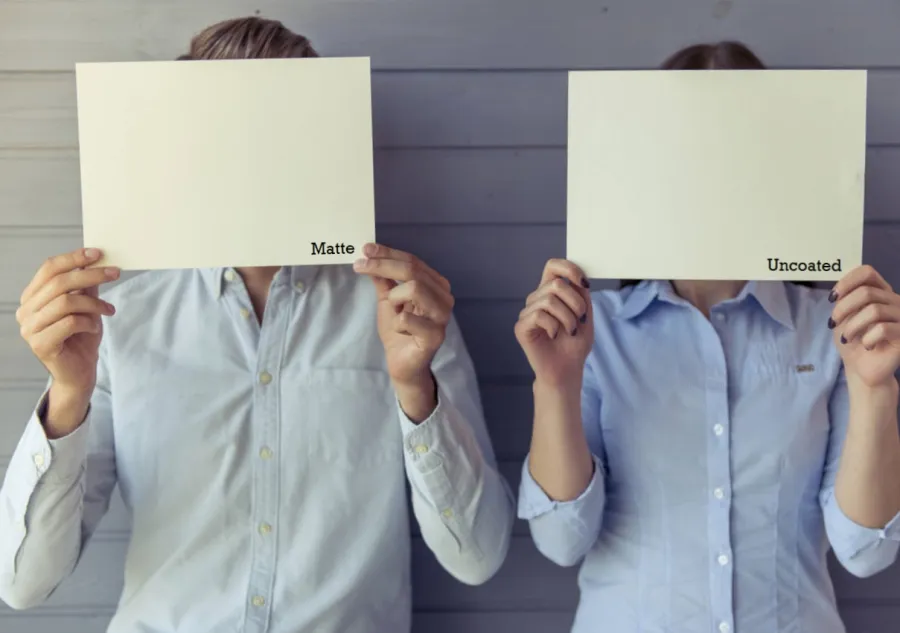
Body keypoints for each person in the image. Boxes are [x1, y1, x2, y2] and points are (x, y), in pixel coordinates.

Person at [0, 16, 515, 633]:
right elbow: (23, 586)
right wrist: (67, 397)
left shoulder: (407, 316)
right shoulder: (119, 322)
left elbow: (478, 558)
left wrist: (415, 391)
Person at [514, 42, 900, 633]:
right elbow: (561, 540)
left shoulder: (835, 331)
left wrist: (875, 389)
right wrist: (556, 384)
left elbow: (866, 551)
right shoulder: (595, 332)